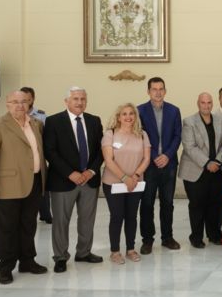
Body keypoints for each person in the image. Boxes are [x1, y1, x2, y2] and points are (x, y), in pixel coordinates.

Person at [0, 91, 48, 284]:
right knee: (7, 228)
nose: (20, 105)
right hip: (6, 186)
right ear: (7, 105)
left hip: (33, 183)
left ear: (30, 103)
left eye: (24, 102)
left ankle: (27, 261)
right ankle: (5, 267)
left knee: (28, 225)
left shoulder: (36, 125)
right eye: (15, 102)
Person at [43, 86, 104, 273]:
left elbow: (101, 151)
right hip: (63, 181)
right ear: (66, 101)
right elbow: (50, 151)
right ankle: (60, 257)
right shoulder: (53, 121)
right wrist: (71, 173)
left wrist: (91, 172)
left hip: (89, 180)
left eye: (83, 99)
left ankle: (83, 252)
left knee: (87, 219)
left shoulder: (94, 121)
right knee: (61, 221)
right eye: (75, 98)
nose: (80, 102)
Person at [101, 103, 151, 264]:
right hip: (114, 183)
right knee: (117, 216)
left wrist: (135, 176)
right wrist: (125, 178)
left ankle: (130, 249)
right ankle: (115, 251)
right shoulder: (110, 134)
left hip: (136, 183)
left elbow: (146, 158)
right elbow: (108, 160)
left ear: (135, 116)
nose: (128, 117)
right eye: (124, 114)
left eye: (131, 114)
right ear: (118, 117)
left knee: (131, 216)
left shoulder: (142, 134)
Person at [137, 77, 182, 254]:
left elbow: (178, 136)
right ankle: (147, 240)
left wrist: (167, 155)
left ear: (165, 90)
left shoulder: (174, 110)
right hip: (148, 164)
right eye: (154, 89)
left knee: (168, 202)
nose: (158, 92)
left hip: (169, 164)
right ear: (148, 91)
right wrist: (155, 156)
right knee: (147, 203)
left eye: (161, 89)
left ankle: (167, 237)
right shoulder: (140, 111)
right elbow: (140, 135)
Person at [179, 92, 222, 248]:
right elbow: (189, 146)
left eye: (209, 102)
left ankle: (214, 235)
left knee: (215, 204)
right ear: (198, 103)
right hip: (196, 170)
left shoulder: (220, 120)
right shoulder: (189, 122)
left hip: (217, 170)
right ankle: (196, 237)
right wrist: (207, 163)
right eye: (203, 102)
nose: (206, 105)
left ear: (212, 104)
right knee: (197, 205)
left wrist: (218, 161)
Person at [21, 87, 51, 224]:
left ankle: (45, 213)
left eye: (28, 99)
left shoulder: (41, 116)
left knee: (41, 185)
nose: (25, 102)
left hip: (38, 155)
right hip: (20, 157)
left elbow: (45, 136)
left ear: (33, 99)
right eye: (22, 99)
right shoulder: (14, 114)